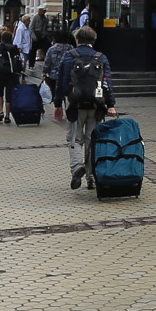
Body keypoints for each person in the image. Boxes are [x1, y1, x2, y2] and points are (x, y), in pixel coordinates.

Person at [50, 26, 115, 189]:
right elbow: (106, 83)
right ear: (93, 40)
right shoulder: (101, 57)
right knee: (92, 140)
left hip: (75, 105)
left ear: (77, 40)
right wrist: (110, 104)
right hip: (96, 105)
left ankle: (77, 167)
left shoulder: (69, 56)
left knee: (74, 139)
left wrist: (58, 103)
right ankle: (91, 177)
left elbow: (62, 82)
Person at [0, 25, 24, 122]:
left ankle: (0, 111)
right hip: (12, 74)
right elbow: (19, 61)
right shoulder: (15, 48)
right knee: (9, 95)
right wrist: (20, 73)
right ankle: (7, 116)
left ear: (2, 38)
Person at [41, 29, 75, 123]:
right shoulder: (71, 48)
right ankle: (68, 109)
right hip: (69, 75)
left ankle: (58, 110)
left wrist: (44, 72)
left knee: (57, 93)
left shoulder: (52, 49)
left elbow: (47, 62)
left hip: (54, 75)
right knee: (68, 94)